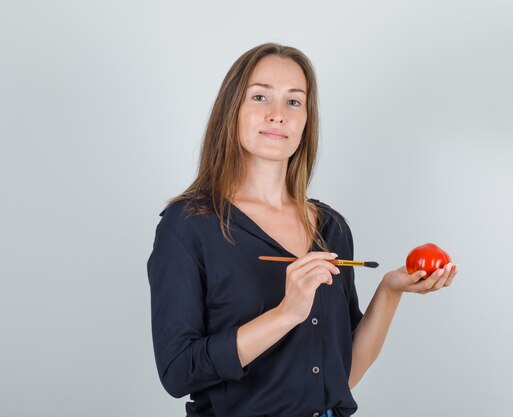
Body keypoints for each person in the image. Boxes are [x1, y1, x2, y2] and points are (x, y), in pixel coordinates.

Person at [147, 43, 458, 417]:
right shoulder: (188, 225)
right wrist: (286, 312)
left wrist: (391, 291)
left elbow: (343, 375)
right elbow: (178, 373)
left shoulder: (331, 227)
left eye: (294, 102)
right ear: (232, 111)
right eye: (260, 97)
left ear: (307, 119)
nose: (277, 115)